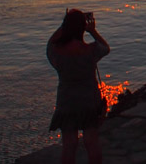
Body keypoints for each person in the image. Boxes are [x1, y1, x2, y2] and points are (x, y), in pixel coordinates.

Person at [47, 9, 110, 164]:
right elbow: (105, 47)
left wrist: (64, 25)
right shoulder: (90, 51)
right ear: (82, 28)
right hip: (89, 100)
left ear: (66, 27)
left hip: (66, 102)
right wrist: (92, 30)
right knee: (92, 143)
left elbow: (50, 44)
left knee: (69, 146)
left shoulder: (57, 53)